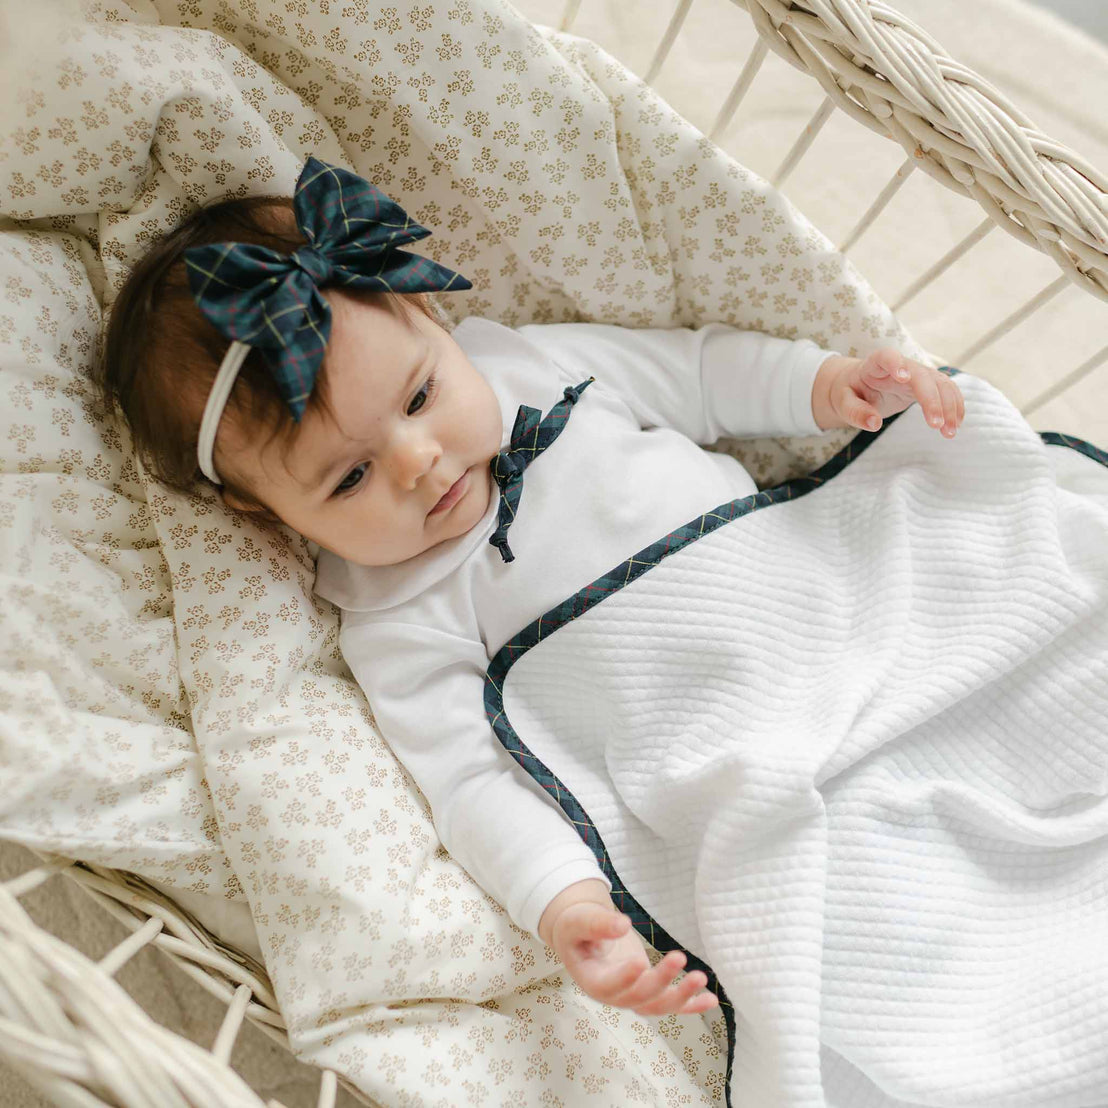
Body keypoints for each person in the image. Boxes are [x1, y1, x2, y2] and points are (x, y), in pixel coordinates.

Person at [95, 155, 964, 1020]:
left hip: (829, 601)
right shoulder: (392, 613)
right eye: (348, 478)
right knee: (863, 929)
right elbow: (470, 785)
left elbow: (698, 377)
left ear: (432, 318)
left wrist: (824, 385)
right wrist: (564, 902)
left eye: (422, 393)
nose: (416, 460)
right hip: (722, 747)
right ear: (264, 510)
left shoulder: (532, 367)